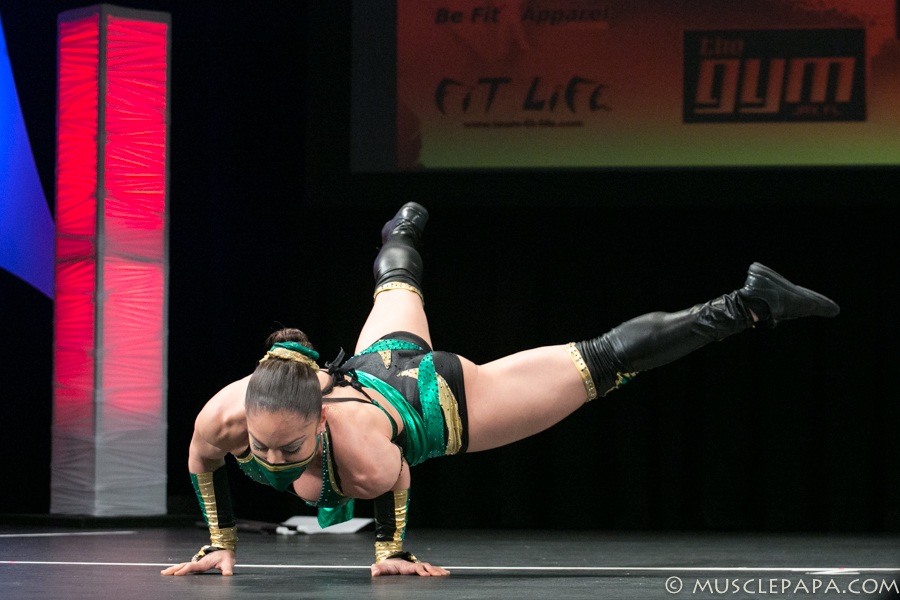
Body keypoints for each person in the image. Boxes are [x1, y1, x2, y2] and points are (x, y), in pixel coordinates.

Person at [161, 203, 839, 578]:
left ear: (317, 421)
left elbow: (396, 476)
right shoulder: (222, 416)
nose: (272, 461)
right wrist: (219, 540)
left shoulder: (360, 454)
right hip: (377, 363)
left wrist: (392, 551)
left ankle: (750, 303)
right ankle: (400, 231)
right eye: (263, 448)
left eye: (289, 449)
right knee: (395, 285)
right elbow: (203, 462)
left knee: (598, 364)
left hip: (438, 398)